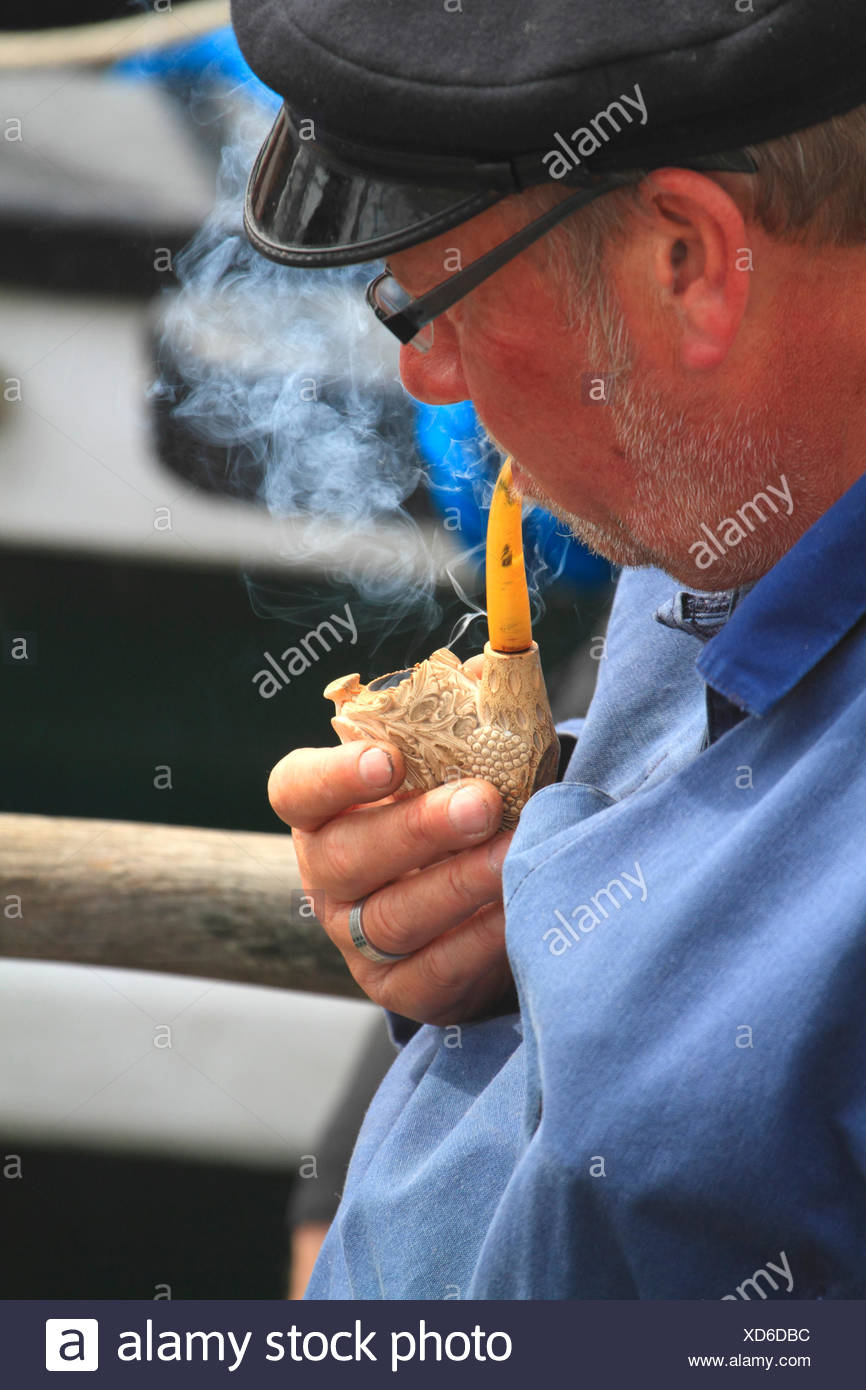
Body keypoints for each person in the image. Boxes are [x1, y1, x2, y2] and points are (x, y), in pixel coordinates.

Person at [234, 0, 866, 1298]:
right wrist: (501, 906)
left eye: (440, 297)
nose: (429, 375)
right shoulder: (713, 500)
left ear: (688, 260)